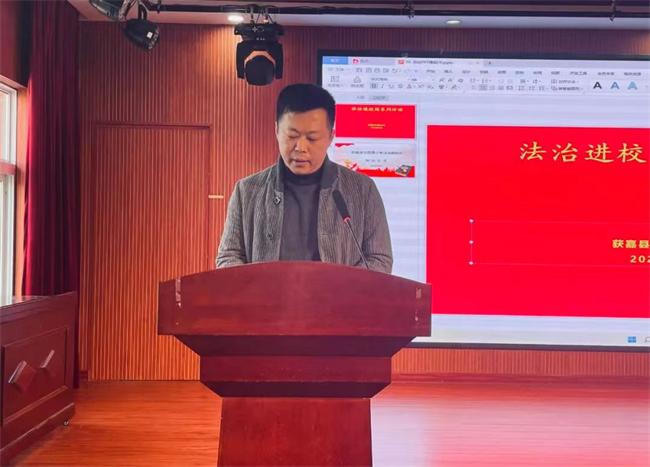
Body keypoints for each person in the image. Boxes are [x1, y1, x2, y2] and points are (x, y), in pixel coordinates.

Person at [216, 83, 392, 273]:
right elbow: (228, 256)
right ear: (276, 130)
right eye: (292, 136)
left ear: (331, 136)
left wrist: (340, 286)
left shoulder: (362, 190)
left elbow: (379, 258)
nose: (300, 147)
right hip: (267, 293)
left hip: (337, 293)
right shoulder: (247, 191)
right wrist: (258, 287)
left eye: (312, 138)